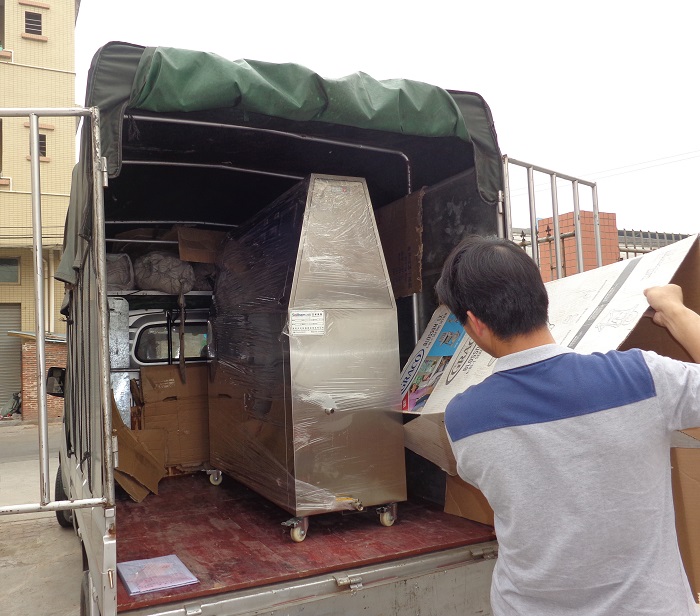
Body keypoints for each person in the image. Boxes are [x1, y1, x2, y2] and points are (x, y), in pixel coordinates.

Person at [434, 235, 700, 616]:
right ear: (542, 297)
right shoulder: (642, 377)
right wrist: (676, 312)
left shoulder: (463, 419)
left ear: (474, 323)